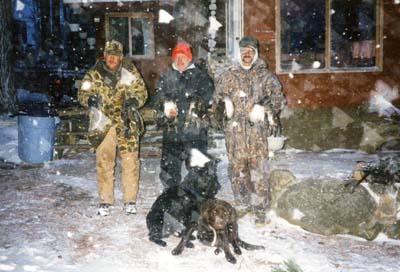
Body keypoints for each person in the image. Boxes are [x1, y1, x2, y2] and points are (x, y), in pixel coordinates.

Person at [213, 36, 286, 224]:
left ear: (255, 54)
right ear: (239, 53)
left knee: (259, 170)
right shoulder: (227, 76)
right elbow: (216, 100)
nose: (247, 54)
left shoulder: (266, 77)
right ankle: (242, 204)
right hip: (235, 132)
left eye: (251, 51)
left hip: (257, 133)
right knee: (237, 169)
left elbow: (279, 100)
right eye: (244, 51)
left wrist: (265, 108)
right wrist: (224, 105)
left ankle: (260, 207)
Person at [78, 40, 148, 216]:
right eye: (109, 54)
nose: (112, 58)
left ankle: (130, 200)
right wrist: (89, 100)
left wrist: (134, 101)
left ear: (121, 56)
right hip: (103, 124)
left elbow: (142, 93)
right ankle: (105, 201)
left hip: (126, 123)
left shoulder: (130, 72)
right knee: (104, 162)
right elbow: (82, 92)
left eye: (115, 55)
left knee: (130, 161)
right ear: (104, 55)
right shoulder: (93, 74)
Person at [154, 41, 214, 188]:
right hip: (172, 132)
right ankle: (171, 197)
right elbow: (158, 97)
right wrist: (165, 104)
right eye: (177, 57)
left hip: (195, 133)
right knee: (170, 170)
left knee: (198, 169)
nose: (180, 60)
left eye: (183, 57)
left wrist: (196, 103)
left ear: (189, 58)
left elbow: (208, 97)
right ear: (173, 58)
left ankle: (197, 200)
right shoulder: (167, 76)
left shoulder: (201, 76)